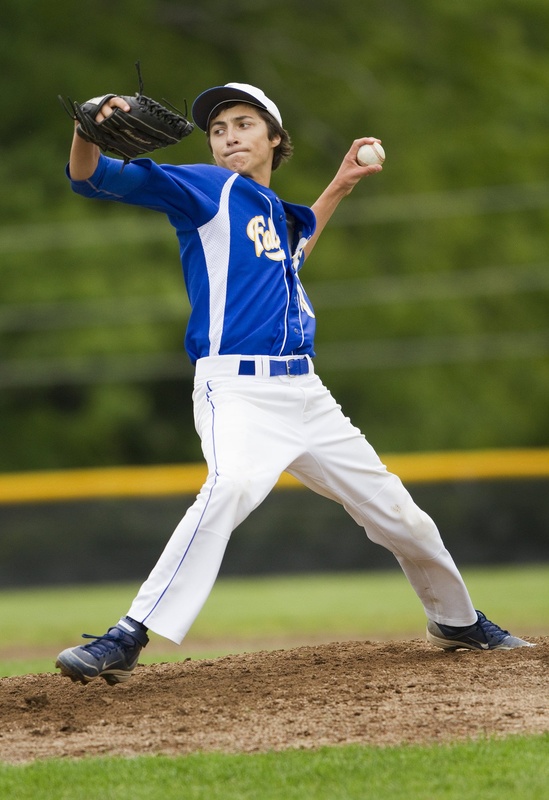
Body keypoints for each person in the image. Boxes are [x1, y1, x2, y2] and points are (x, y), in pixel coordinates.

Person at [56, 82, 532, 685]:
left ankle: (456, 621)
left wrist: (339, 185)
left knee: (401, 515)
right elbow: (89, 177)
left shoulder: (272, 213)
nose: (229, 134)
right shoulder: (207, 188)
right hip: (239, 392)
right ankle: (129, 634)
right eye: (220, 127)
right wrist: (87, 129)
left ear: (275, 140)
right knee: (230, 490)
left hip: (308, 396)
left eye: (244, 123)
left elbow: (294, 252)